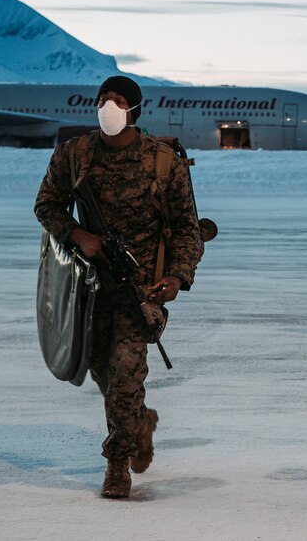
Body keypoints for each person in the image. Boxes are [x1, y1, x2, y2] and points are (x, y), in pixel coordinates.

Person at [34, 75, 203, 499]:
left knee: (126, 372)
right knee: (103, 373)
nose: (109, 106)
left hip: (141, 290)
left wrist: (177, 277)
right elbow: (46, 204)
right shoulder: (76, 155)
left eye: (119, 100)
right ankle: (139, 422)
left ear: (135, 110)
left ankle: (117, 466)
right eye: (103, 99)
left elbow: (187, 230)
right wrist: (78, 235)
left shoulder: (163, 161)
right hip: (87, 288)